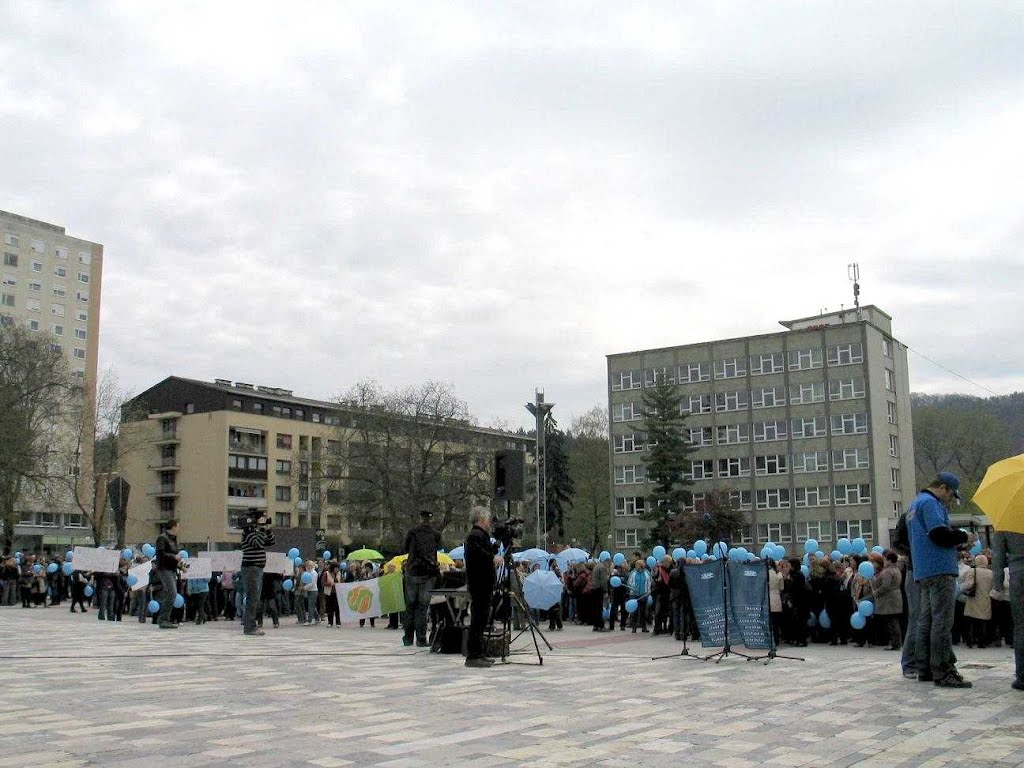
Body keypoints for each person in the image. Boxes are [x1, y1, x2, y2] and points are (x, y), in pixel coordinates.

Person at [907, 473, 974, 688]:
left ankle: (924, 667)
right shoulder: (930, 503)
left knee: (925, 621)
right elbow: (939, 535)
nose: (948, 499)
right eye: (949, 495)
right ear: (943, 488)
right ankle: (943, 669)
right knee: (942, 622)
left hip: (923, 570)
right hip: (940, 569)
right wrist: (963, 536)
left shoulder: (914, 504)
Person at [402, 509, 442, 648]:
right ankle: (420, 638)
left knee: (410, 607)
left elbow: (405, 549)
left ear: (420, 518)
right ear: (431, 519)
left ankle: (407, 638)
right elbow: (437, 548)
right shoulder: (436, 534)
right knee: (422, 608)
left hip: (412, 572)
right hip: (428, 573)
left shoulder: (412, 532)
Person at [990, 530, 1024, 691]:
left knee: (1021, 626)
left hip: (1019, 576)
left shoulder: (1005, 521)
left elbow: (998, 557)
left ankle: (1022, 675)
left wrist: (997, 586)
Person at [464, 507, 497, 668]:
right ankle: (473, 654)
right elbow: (478, 556)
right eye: (488, 519)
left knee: (482, 618)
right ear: (482, 519)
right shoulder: (475, 536)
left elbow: (484, 552)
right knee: (478, 618)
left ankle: (479, 652)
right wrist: (492, 558)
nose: (490, 522)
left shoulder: (479, 536)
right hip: (480, 582)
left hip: (482, 582)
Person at [239, 508, 276, 636]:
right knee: (252, 598)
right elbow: (258, 542)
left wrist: (267, 529)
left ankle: (251, 625)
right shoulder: (248, 533)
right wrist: (261, 528)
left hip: (257, 568)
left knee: (255, 598)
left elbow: (271, 541)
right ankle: (249, 627)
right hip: (251, 568)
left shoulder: (255, 533)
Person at [872, 550, 904, 651]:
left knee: (891, 622)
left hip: (889, 599)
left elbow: (885, 586)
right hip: (895, 597)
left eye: (885, 560)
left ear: (889, 560)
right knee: (893, 621)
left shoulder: (888, 571)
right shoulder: (896, 569)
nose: (884, 562)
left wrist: (876, 592)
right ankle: (896, 643)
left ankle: (895, 643)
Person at [155, 519, 183, 629]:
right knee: (172, 592)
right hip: (164, 568)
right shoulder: (162, 538)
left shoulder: (173, 539)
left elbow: (173, 553)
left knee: (170, 593)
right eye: (178, 526)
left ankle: (165, 618)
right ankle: (163, 619)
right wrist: (174, 557)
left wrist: (180, 564)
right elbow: (161, 553)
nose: (179, 529)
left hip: (171, 569)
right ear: (173, 527)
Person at [590, 554, 610, 632]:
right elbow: (603, 580)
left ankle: (595, 625)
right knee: (599, 608)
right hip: (598, 589)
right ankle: (601, 626)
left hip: (593, 588)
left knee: (595, 608)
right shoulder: (602, 567)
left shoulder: (596, 566)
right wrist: (605, 591)